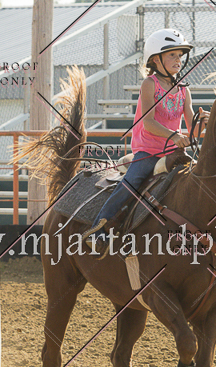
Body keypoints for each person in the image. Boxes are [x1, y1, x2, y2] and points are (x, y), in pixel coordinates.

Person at [83, 29, 209, 259]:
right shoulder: (149, 84)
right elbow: (148, 122)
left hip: (174, 152)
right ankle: (99, 229)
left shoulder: (184, 89)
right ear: (155, 59)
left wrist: (204, 123)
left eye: (180, 55)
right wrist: (174, 136)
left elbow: (192, 128)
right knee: (131, 183)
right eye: (172, 55)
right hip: (148, 151)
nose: (178, 60)